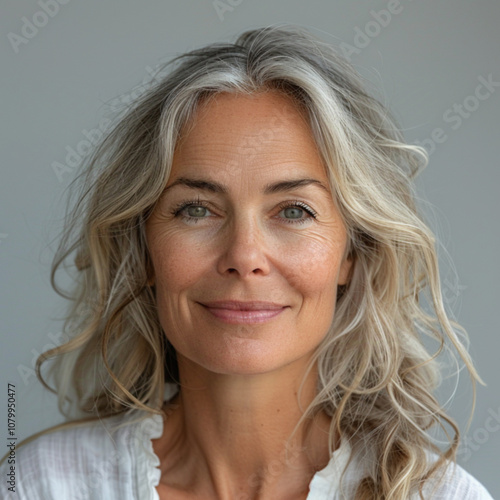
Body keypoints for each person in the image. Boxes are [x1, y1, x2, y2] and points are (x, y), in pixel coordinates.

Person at [0, 24, 494, 500]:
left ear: (352, 253)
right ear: (144, 248)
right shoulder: (40, 486)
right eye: (196, 209)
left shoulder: (442, 496)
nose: (243, 256)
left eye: (294, 211)